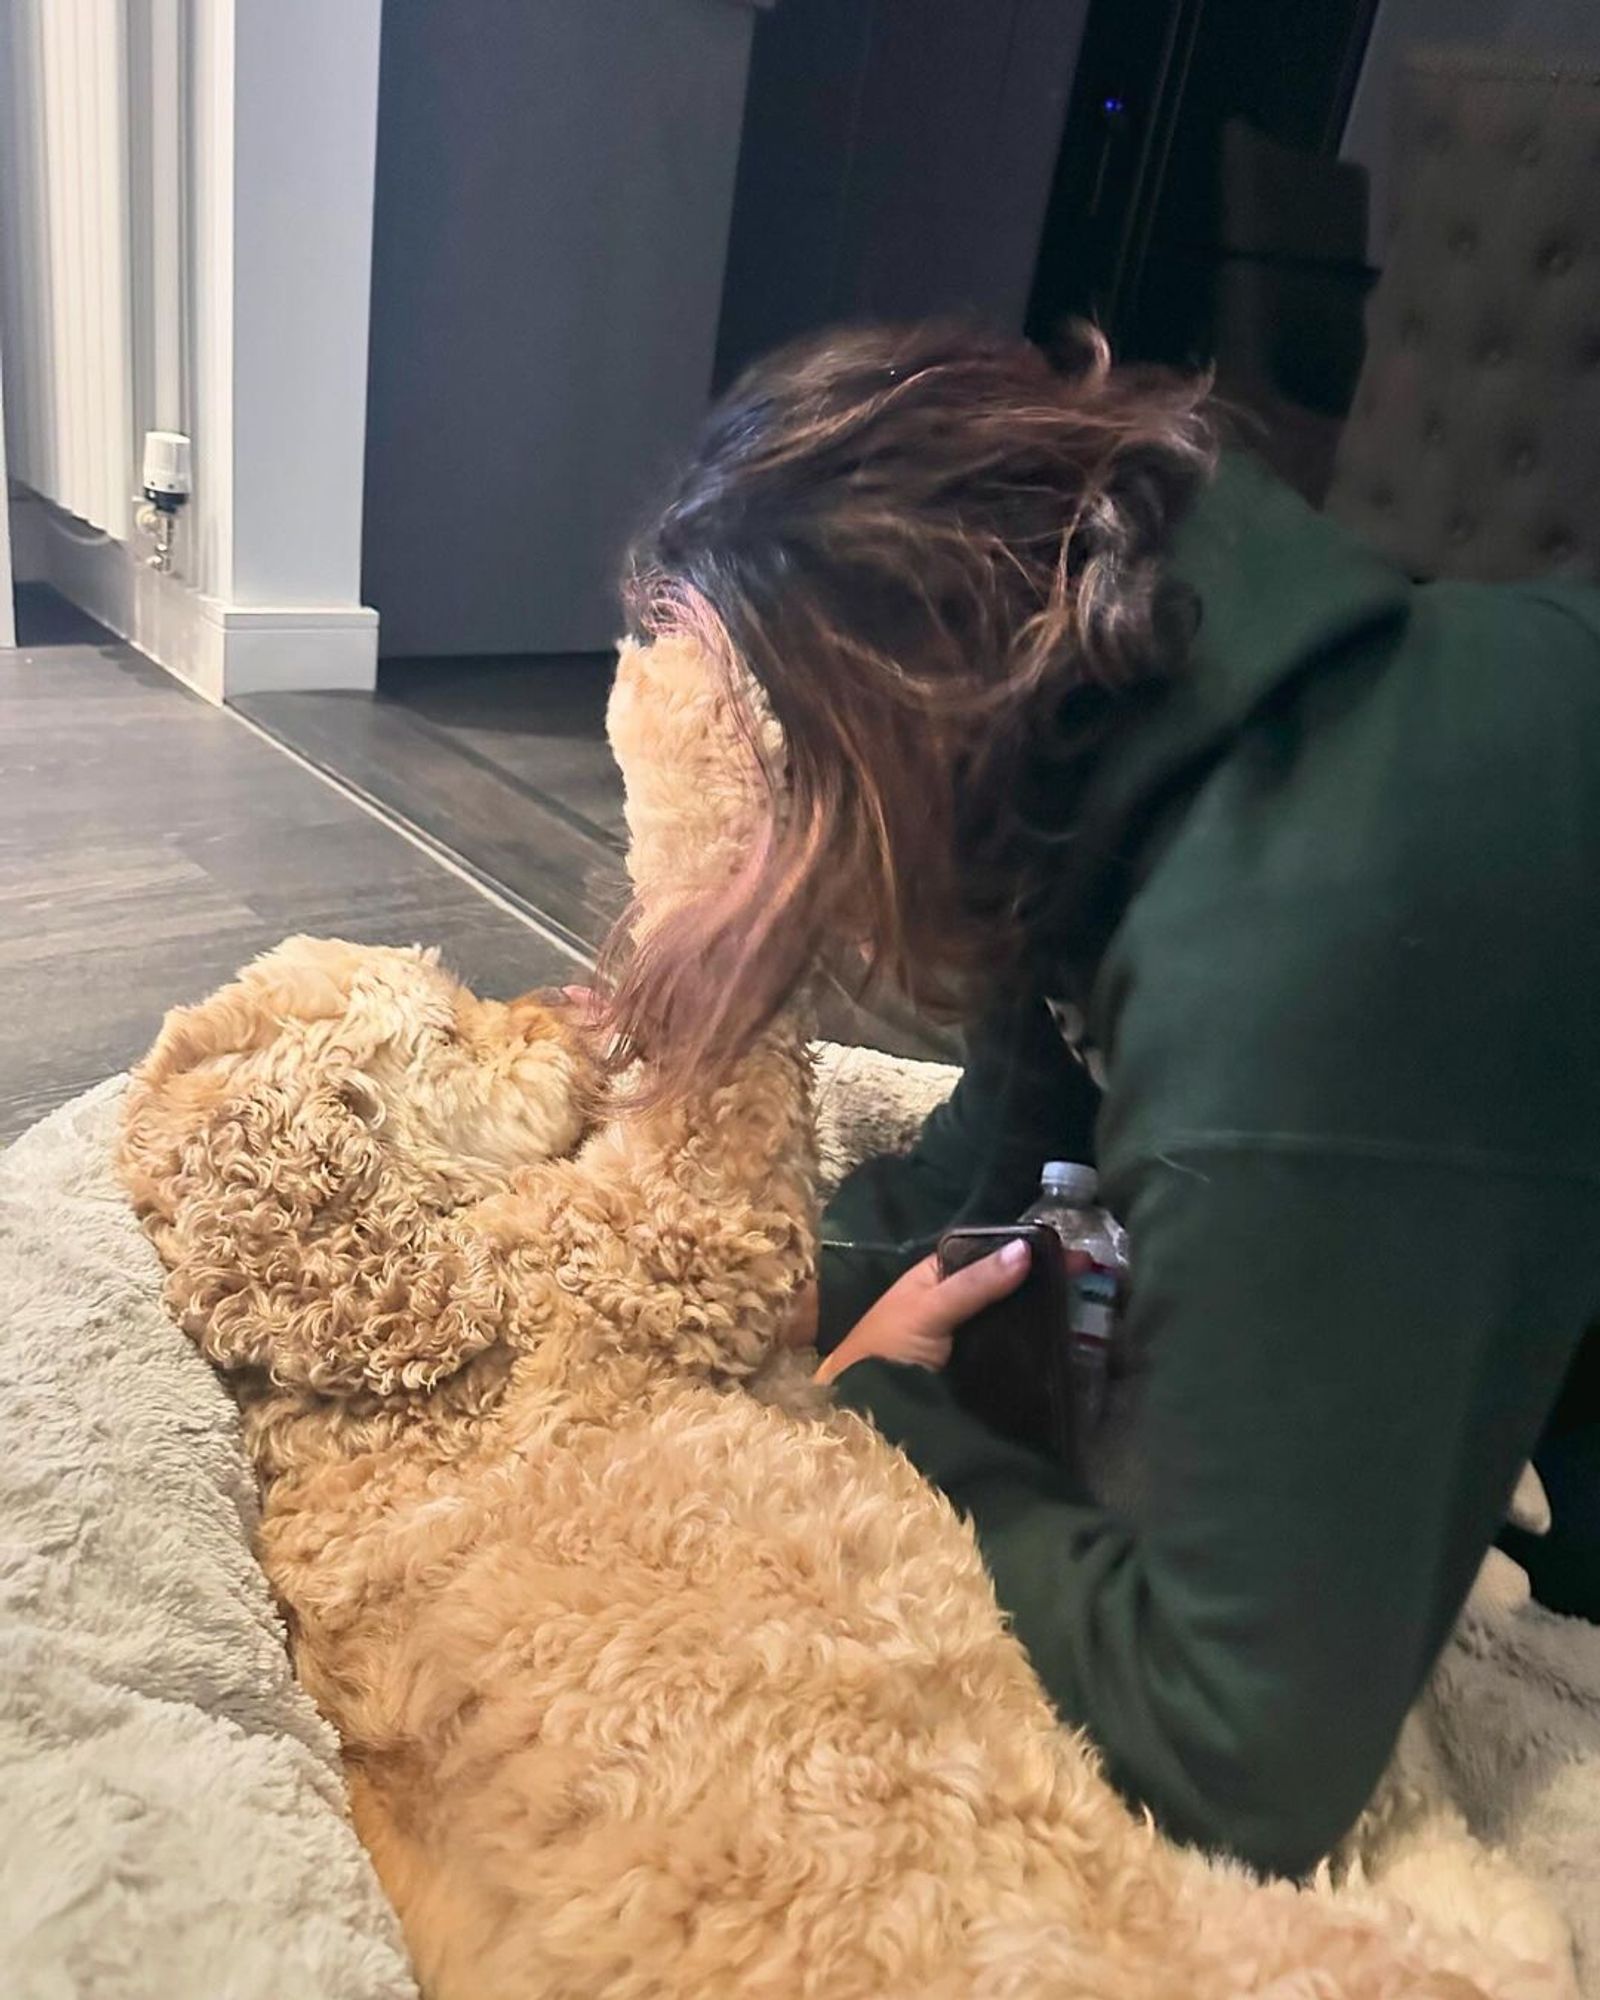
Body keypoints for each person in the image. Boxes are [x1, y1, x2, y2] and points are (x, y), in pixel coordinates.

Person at [598, 322, 1600, 1878]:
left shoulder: (1291, 951)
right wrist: (730, 1293)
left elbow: (1239, 1742)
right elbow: (971, 1196)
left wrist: (878, 1417)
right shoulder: (1116, 732)